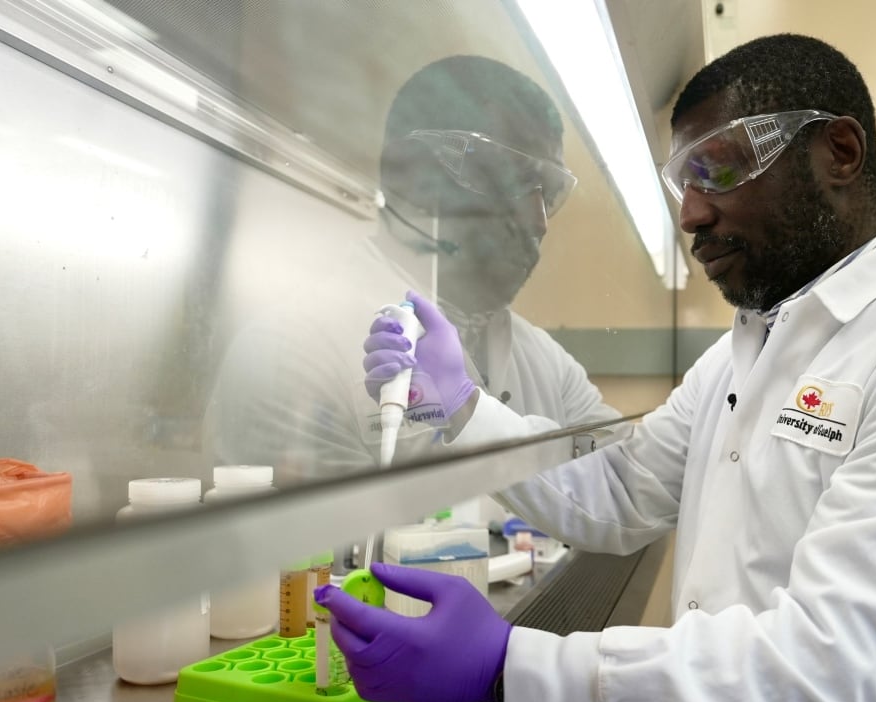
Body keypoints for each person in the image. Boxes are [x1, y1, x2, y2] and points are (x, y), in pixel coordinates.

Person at [318, 34, 876, 702]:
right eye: (682, 184)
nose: (692, 216)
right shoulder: (740, 356)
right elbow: (618, 495)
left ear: (839, 153)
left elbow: (826, 670)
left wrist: (511, 663)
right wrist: (464, 410)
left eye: (717, 168)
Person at [203, 55, 618, 485]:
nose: (539, 221)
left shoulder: (547, 363)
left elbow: (620, 484)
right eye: (512, 179)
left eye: (548, 194)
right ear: (415, 178)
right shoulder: (289, 351)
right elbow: (318, 546)